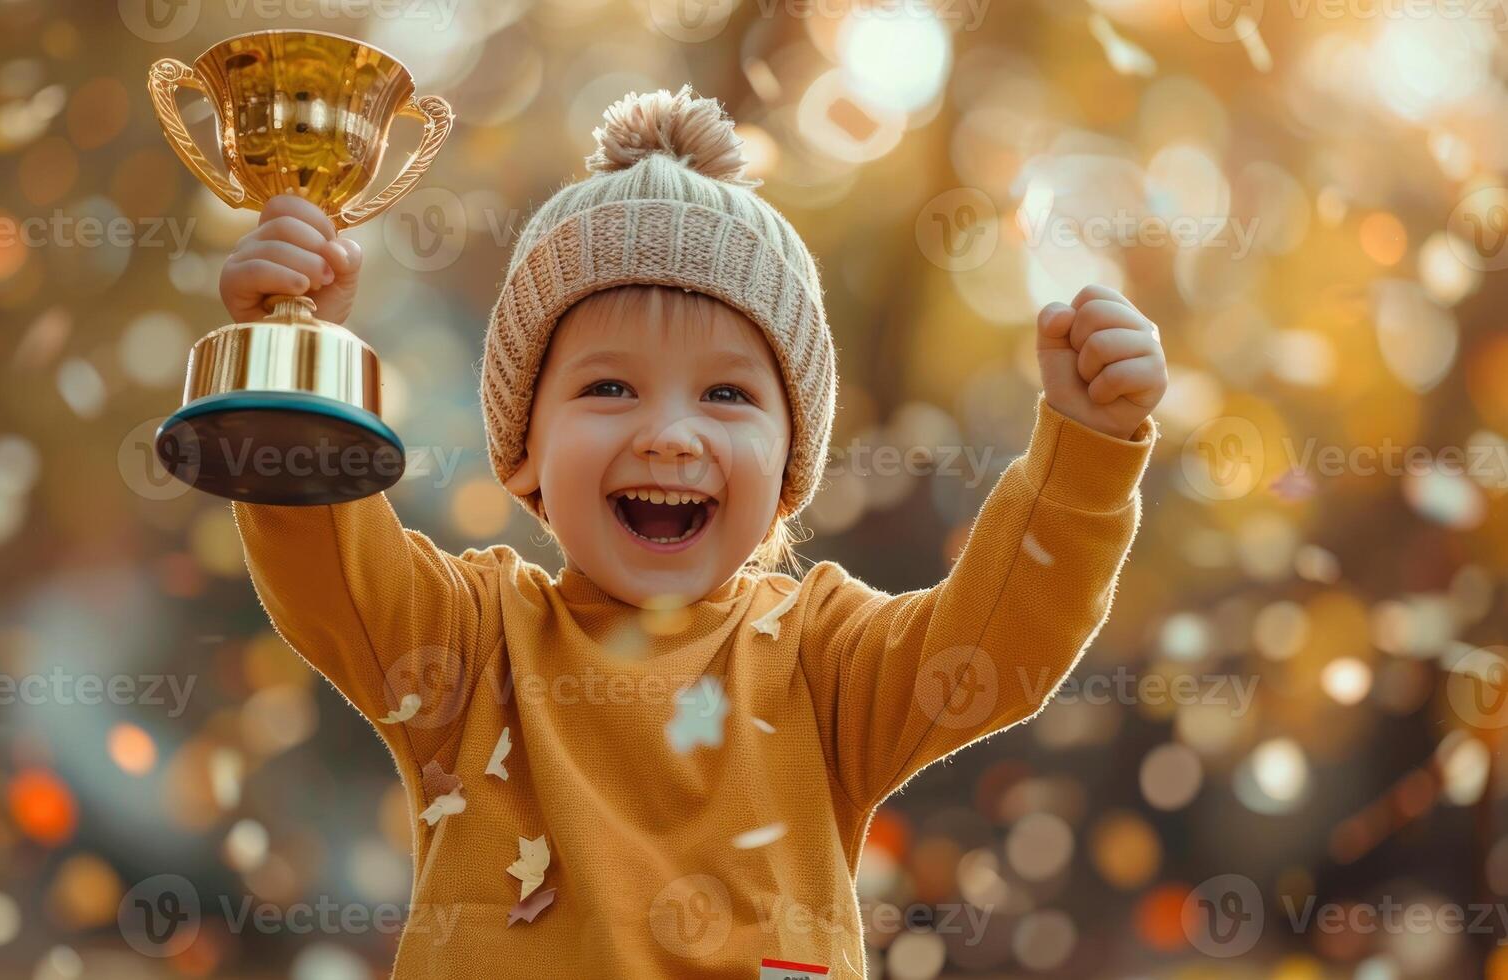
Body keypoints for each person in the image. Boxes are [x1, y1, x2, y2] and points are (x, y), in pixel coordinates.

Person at [219, 84, 1165, 977]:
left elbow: (998, 640)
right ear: (522, 452)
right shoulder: (468, 648)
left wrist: (1085, 451)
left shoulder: (824, 663)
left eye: (725, 394)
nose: (670, 435)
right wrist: (291, 363)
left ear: (791, 465)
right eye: (607, 387)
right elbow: (324, 561)